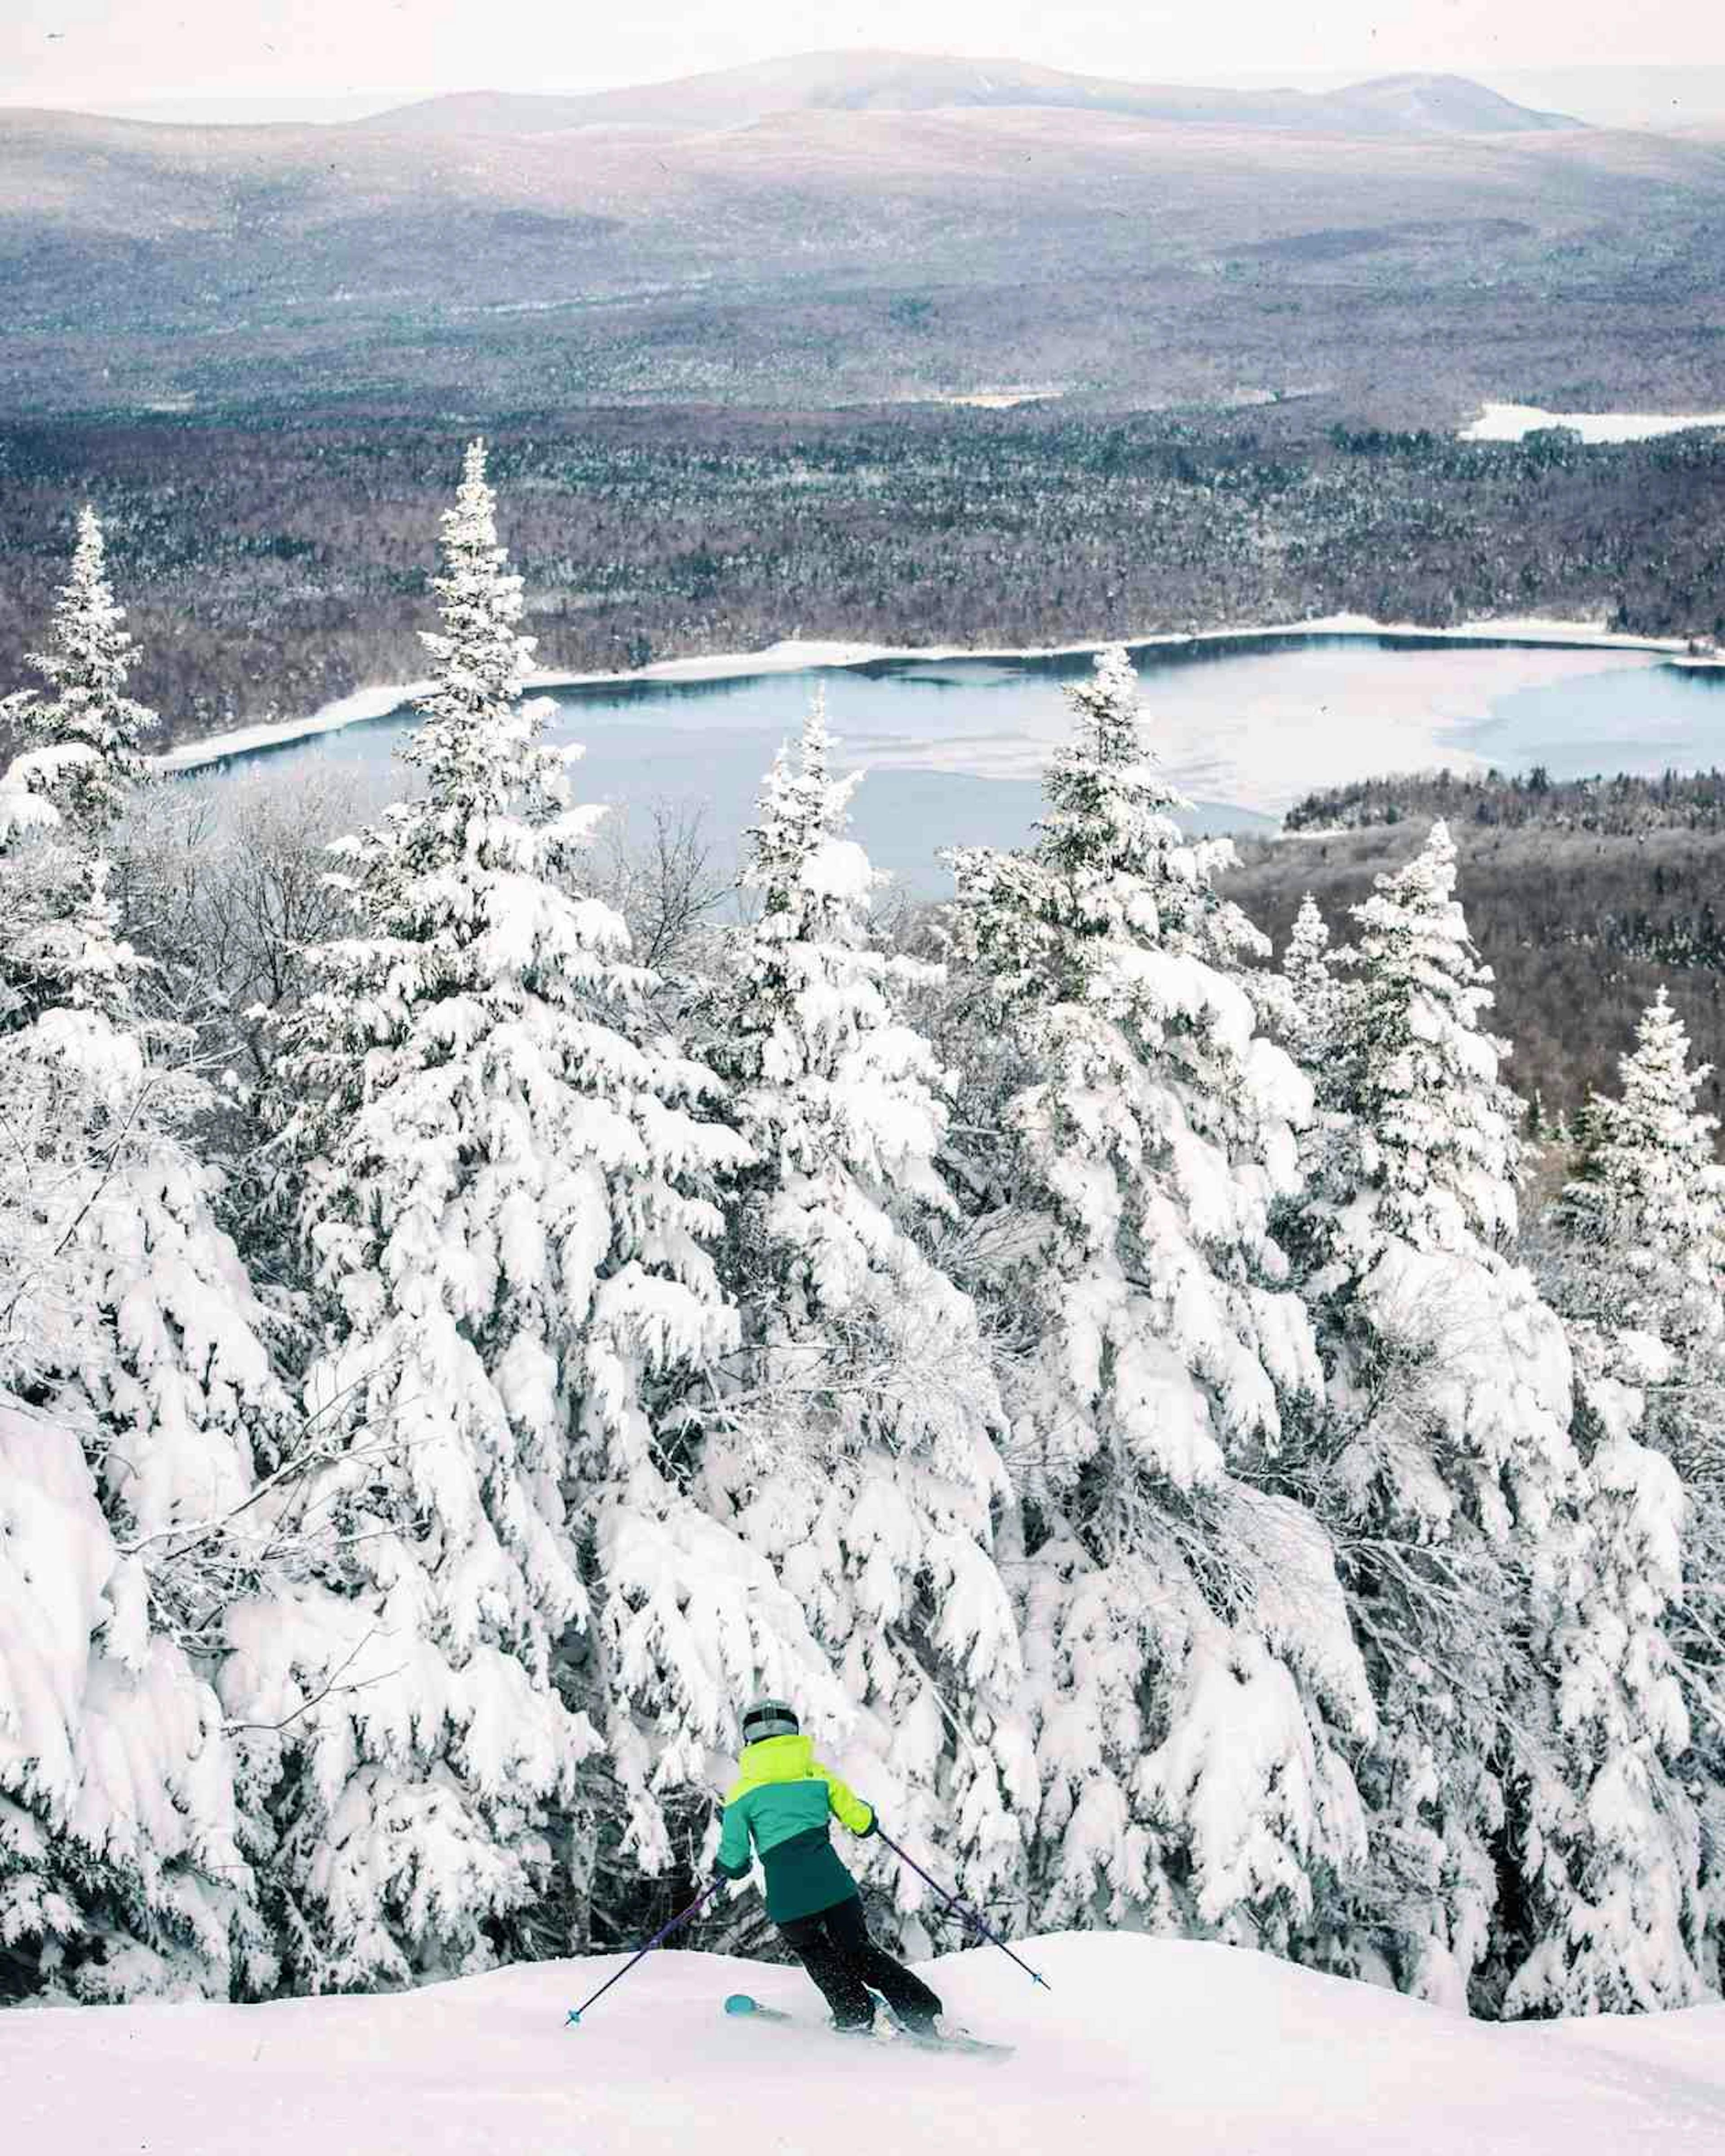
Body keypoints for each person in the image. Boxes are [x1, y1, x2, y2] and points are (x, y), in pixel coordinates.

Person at [715, 1697, 946, 2037]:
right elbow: (862, 1821)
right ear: (793, 1733)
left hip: (789, 1899)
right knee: (858, 1949)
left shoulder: (741, 1794)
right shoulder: (818, 1777)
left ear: (748, 1740)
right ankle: (922, 2012)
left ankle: (855, 2014)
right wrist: (864, 1816)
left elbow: (734, 1861)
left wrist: (733, 1866)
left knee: (816, 1953)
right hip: (835, 1888)